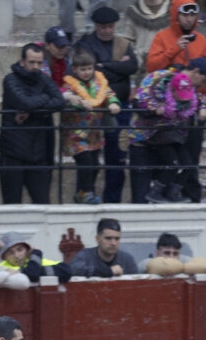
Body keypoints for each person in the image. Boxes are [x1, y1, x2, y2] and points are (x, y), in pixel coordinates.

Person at [78, 6, 138, 203]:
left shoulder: (122, 43)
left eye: (110, 26)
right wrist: (118, 67)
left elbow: (132, 66)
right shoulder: (85, 43)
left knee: (117, 156)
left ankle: (113, 202)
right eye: (103, 27)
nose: (107, 30)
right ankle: (85, 198)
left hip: (119, 106)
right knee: (89, 156)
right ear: (96, 26)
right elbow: (92, 73)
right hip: (93, 107)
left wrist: (105, 65)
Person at [127, 62, 206, 203]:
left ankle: (171, 193)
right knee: (142, 190)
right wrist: (156, 109)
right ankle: (154, 194)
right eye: (204, 79)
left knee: (186, 166)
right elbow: (139, 101)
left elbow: (199, 98)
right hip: (146, 138)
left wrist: (203, 108)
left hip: (172, 137)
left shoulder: (188, 87)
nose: (204, 84)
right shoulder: (157, 79)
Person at [0, 43, 65, 205]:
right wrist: (45, 98)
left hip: (39, 153)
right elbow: (25, 102)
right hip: (13, 152)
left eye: (39, 63)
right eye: (31, 62)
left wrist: (32, 111)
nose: (36, 66)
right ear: (22, 62)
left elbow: (60, 101)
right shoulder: (10, 80)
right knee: (12, 205)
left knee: (43, 204)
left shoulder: (44, 79)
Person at [62, 48, 122, 205]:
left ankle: (84, 193)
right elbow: (65, 99)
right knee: (86, 162)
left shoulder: (99, 83)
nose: (87, 72)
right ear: (75, 69)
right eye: (83, 69)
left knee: (95, 165)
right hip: (76, 135)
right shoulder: (70, 85)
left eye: (89, 68)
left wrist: (113, 103)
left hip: (94, 134)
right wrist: (78, 102)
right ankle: (86, 192)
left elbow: (109, 94)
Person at [69, 218, 140, 277]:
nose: (113, 243)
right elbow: (72, 269)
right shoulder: (85, 256)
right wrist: (108, 272)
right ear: (97, 239)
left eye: (117, 239)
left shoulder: (127, 260)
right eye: (108, 238)